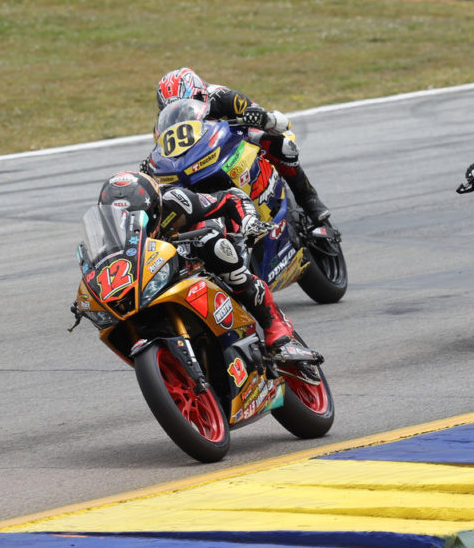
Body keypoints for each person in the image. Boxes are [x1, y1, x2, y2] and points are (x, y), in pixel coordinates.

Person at [97, 170, 317, 357]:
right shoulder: (109, 231)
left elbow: (232, 198)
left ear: (154, 208)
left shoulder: (176, 200)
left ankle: (272, 322)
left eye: (137, 216)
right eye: (120, 218)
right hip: (158, 265)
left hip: (200, 244)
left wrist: (247, 221)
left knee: (212, 245)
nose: (130, 223)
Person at [151, 67, 330, 223]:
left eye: (187, 104)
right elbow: (162, 151)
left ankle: (308, 199)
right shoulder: (163, 123)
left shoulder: (225, 98)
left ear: (200, 93)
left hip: (236, 141)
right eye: (172, 108)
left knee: (279, 144)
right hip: (198, 160)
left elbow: (272, 121)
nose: (181, 112)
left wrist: (262, 118)